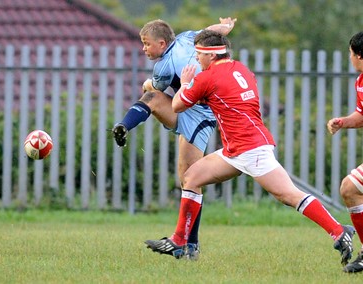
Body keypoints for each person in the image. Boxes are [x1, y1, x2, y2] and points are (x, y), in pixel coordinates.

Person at [145, 29, 356, 267]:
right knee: (191, 177)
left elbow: (176, 105)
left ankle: (339, 231)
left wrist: (184, 84)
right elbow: (228, 96)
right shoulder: (240, 68)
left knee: (288, 195)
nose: (196, 59)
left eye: (199, 55)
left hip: (250, 149)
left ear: (212, 56)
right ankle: (180, 241)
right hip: (237, 148)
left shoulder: (206, 77)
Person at [112, 17, 237, 259]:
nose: (144, 48)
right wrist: (226, 27)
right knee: (154, 100)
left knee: (190, 178)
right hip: (185, 106)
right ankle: (123, 126)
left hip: (200, 114)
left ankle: (191, 245)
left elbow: (154, 84)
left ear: (161, 43)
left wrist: (148, 82)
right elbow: (210, 31)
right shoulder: (188, 36)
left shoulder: (163, 65)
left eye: (146, 44)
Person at [327, 31, 363, 273]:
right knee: (350, 189)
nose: (349, 58)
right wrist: (343, 121)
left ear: (359, 56)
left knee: (350, 187)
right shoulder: (360, 82)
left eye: (350, 54)